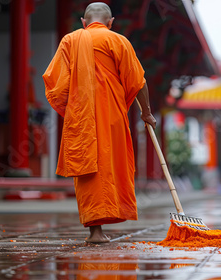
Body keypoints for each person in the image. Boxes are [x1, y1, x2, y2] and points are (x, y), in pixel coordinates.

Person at [43, 2, 156, 243]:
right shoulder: (119, 41)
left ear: (83, 22)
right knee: (110, 165)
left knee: (89, 169)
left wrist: (74, 105)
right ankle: (105, 222)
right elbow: (139, 82)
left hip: (81, 117)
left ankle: (95, 230)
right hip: (113, 115)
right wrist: (146, 113)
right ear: (111, 22)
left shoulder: (70, 41)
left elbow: (56, 83)